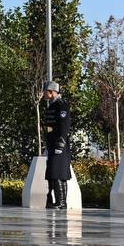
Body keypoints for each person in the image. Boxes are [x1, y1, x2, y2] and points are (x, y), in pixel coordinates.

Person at [43, 81, 72, 209]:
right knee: (53, 174)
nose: (44, 94)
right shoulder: (51, 105)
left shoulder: (61, 105)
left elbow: (64, 126)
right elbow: (50, 127)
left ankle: (62, 203)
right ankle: (58, 202)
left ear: (51, 91)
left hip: (60, 145)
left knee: (58, 174)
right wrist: (48, 144)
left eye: (45, 91)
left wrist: (60, 144)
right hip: (52, 144)